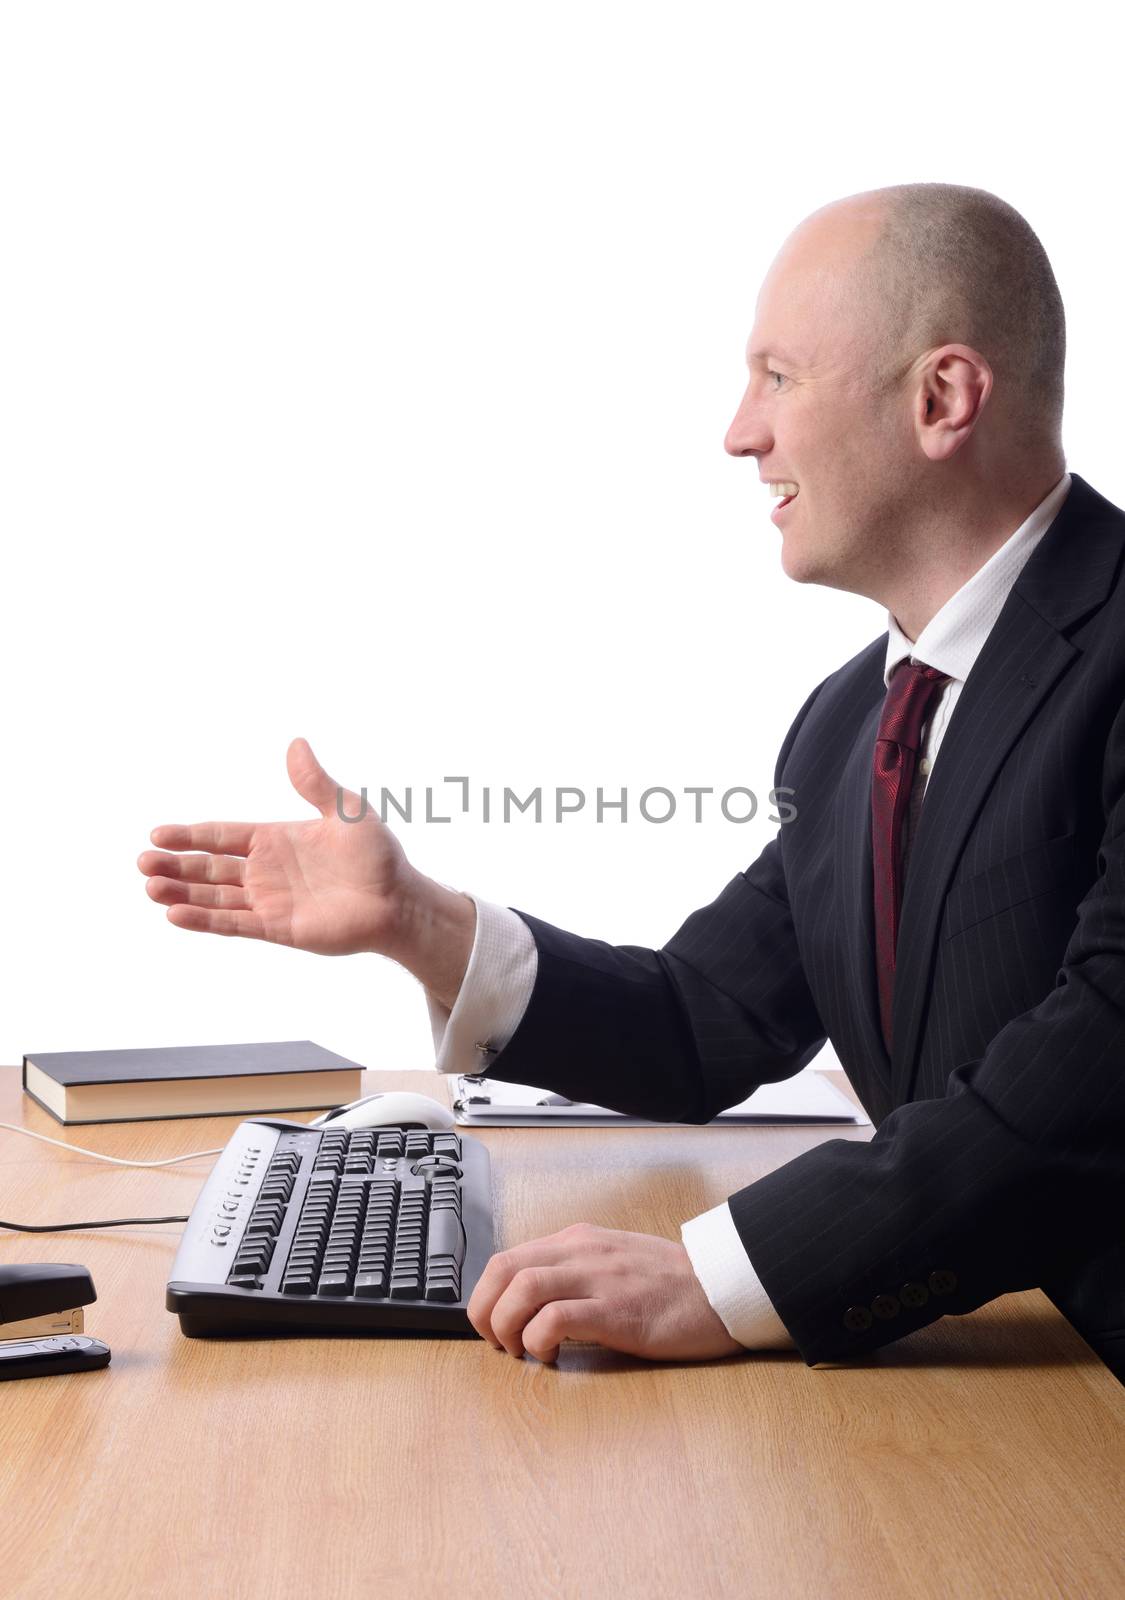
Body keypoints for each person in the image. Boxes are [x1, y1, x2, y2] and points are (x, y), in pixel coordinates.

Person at [138, 182, 1125, 1382]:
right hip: (1013, 1404)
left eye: (776, 376)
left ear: (942, 398)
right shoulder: (848, 721)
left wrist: (723, 1278)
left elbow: (1091, 1081)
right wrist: (424, 924)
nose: (738, 433)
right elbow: (703, 1019)